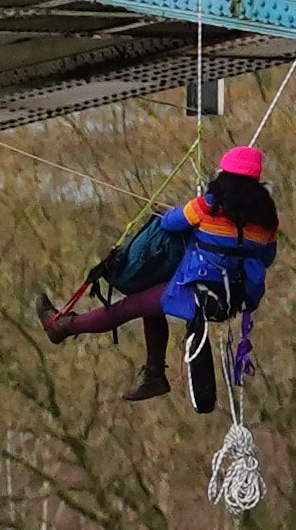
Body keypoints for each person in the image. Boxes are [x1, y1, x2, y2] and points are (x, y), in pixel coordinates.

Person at [37, 144, 280, 406]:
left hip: (194, 295)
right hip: (233, 300)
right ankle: (154, 374)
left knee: (127, 308)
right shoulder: (267, 221)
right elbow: (266, 258)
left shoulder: (205, 208)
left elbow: (168, 223)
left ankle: (61, 327)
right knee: (151, 302)